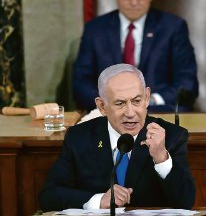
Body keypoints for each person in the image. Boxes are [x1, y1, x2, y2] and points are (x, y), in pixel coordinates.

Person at [39, 64, 195, 211]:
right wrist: (98, 200)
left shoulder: (172, 136)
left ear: (147, 97)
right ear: (102, 106)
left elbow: (185, 202)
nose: (130, 112)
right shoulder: (79, 137)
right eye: (120, 103)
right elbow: (49, 196)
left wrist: (161, 157)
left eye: (136, 101)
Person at [73, 0, 198, 113]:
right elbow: (80, 83)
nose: (134, 2)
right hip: (109, 118)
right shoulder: (95, 29)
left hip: (160, 114)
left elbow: (187, 84)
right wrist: (111, 104)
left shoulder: (173, 27)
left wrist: (150, 101)